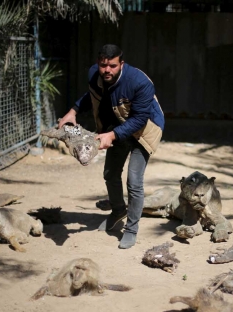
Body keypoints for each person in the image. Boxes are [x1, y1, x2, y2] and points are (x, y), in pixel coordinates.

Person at [58, 44, 165, 249]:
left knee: (134, 181)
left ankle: (131, 229)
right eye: (103, 65)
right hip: (118, 126)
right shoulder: (95, 74)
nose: (107, 70)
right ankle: (118, 211)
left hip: (145, 130)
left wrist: (112, 135)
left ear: (121, 64)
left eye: (113, 66)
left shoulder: (139, 81)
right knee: (110, 173)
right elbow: (93, 95)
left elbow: (140, 118)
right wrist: (73, 110)